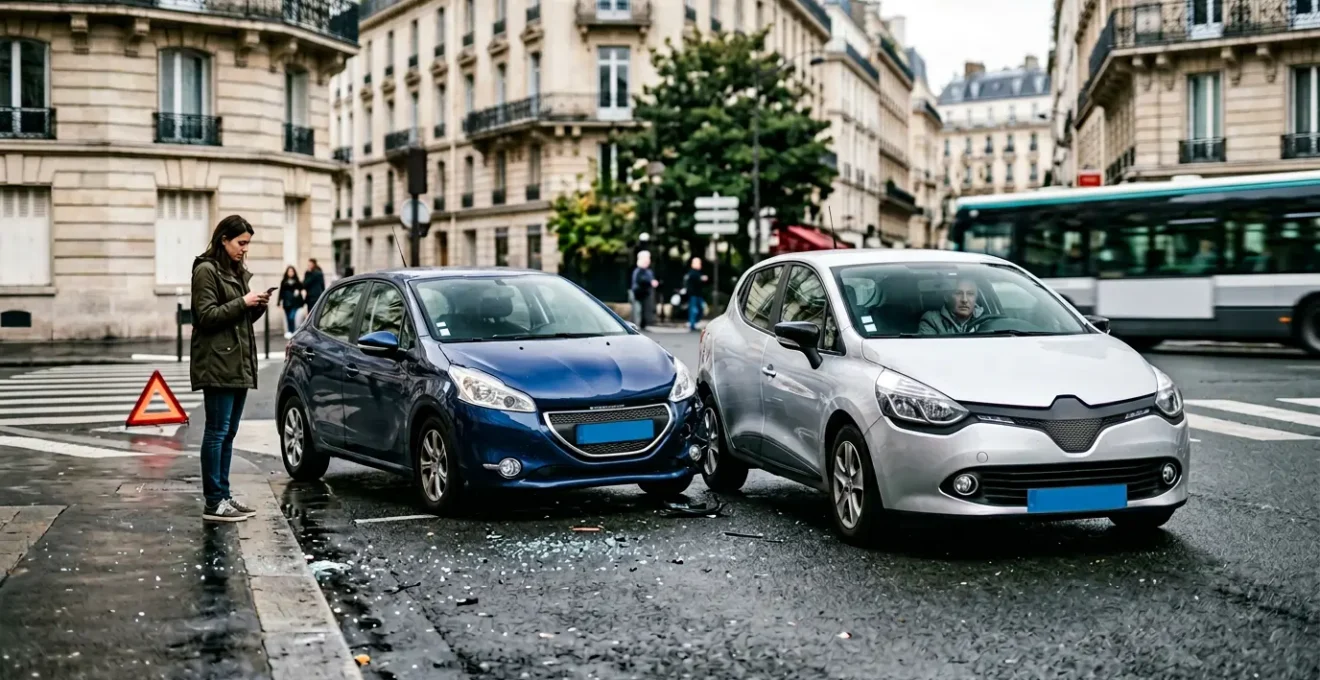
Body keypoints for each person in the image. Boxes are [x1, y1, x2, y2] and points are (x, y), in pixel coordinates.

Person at [190, 215, 268, 522]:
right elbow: (206, 316)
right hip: (217, 362)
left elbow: (237, 321)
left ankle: (223, 495)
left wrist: (256, 307)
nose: (244, 250)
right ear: (224, 239)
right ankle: (213, 502)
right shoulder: (206, 270)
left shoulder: (234, 272)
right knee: (217, 432)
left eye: (247, 244)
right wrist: (244, 303)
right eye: (241, 243)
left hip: (237, 362)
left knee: (229, 432)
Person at [918, 275, 984, 335]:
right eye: (958, 293)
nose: (964, 300)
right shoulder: (932, 320)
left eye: (970, 294)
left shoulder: (986, 321)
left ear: (976, 298)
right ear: (946, 297)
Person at [630, 250, 658, 329]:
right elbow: (640, 280)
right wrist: (650, 282)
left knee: (644, 310)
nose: (648, 261)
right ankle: (637, 324)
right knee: (637, 310)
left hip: (645, 293)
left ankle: (643, 324)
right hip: (638, 293)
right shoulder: (638, 270)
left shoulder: (648, 271)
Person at [276, 265, 304, 339]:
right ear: (287, 272)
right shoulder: (284, 281)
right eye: (289, 271)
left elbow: (302, 288)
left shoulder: (297, 281)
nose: (291, 273)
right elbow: (281, 292)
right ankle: (289, 332)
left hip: (295, 303)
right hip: (286, 302)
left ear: (294, 272)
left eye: (292, 271)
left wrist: (298, 290)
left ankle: (293, 331)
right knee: (288, 318)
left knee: (292, 317)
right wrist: (279, 302)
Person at [682, 257, 709, 331]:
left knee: (700, 309)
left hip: (698, 294)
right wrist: (701, 278)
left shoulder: (698, 273)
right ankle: (692, 324)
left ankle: (694, 323)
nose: (700, 265)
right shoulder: (692, 273)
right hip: (693, 294)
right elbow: (694, 280)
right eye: (698, 263)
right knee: (694, 310)